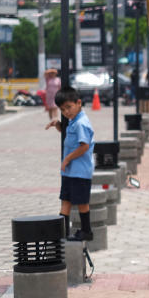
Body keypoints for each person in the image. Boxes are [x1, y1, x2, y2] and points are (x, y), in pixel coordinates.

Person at [45, 87, 96, 241]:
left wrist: (67, 159)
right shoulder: (74, 121)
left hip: (80, 171)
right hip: (70, 171)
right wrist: (60, 126)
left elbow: (84, 146)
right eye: (63, 109)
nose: (66, 112)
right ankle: (62, 232)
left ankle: (86, 230)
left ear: (78, 103)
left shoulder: (81, 123)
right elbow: (72, 138)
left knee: (81, 202)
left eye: (69, 107)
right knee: (65, 200)